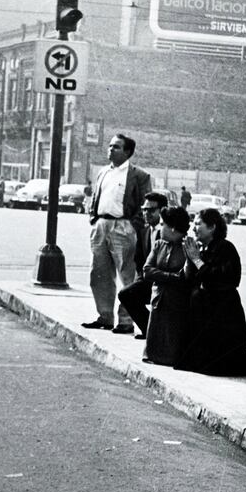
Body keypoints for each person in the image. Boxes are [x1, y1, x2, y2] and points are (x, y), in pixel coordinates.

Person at [175, 208, 246, 376]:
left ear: (212, 227)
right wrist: (190, 258)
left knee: (222, 366)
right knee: (192, 362)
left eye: (198, 224)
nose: (194, 228)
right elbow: (190, 279)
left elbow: (225, 279)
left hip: (223, 315)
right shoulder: (204, 250)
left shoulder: (226, 248)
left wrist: (197, 260)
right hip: (206, 314)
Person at [81, 134, 152, 334]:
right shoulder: (103, 172)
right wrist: (93, 217)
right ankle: (104, 316)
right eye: (110, 146)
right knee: (99, 273)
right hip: (101, 225)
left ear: (128, 152)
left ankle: (126, 320)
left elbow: (144, 204)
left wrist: (132, 225)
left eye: (117, 147)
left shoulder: (138, 175)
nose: (111, 150)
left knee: (127, 274)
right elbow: (96, 196)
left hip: (123, 226)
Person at [142, 206, 193, 366]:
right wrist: (172, 276)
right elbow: (147, 270)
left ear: (172, 227)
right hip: (158, 298)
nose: (160, 227)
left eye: (163, 224)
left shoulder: (188, 247)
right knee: (155, 334)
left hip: (178, 301)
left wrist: (163, 276)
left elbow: (186, 277)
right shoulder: (159, 245)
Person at [117, 191, 168, 339]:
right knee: (126, 294)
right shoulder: (143, 231)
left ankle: (154, 331)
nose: (146, 213)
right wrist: (141, 279)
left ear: (162, 211)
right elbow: (139, 260)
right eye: (144, 209)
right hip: (147, 279)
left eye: (151, 210)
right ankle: (149, 329)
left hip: (164, 280)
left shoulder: (167, 231)